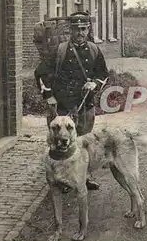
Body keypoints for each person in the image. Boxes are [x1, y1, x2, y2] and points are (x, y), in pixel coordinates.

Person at [35, 11, 110, 191]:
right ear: (71, 30)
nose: (80, 33)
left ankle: (84, 177)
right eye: (76, 29)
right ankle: (63, 178)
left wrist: (95, 83)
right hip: (62, 106)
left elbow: (103, 74)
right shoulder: (59, 50)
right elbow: (41, 73)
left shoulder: (93, 49)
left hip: (85, 105)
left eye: (84, 29)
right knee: (62, 142)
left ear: (88, 29)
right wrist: (49, 96)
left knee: (83, 142)